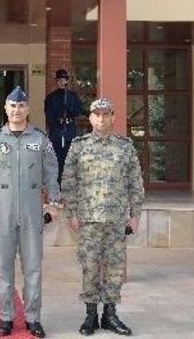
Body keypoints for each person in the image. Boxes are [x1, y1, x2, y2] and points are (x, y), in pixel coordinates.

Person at [0, 86, 60, 338]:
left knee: (33, 266)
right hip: (2, 210)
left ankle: (33, 317)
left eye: (21, 106)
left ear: (28, 109)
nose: (17, 110)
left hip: (31, 210)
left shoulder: (40, 139)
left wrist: (54, 202)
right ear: (6, 109)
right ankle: (5, 317)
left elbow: (51, 172)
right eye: (12, 106)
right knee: (3, 267)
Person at [61, 98, 144, 336]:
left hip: (117, 220)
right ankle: (90, 316)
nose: (101, 118)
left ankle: (110, 314)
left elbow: (135, 183)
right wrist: (72, 213)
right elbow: (68, 182)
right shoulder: (79, 146)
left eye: (105, 114)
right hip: (88, 220)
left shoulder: (125, 147)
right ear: (90, 118)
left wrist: (135, 214)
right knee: (90, 267)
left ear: (113, 117)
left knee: (114, 269)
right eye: (96, 115)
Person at [44, 68, 83, 182]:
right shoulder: (51, 97)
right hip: (57, 132)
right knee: (56, 160)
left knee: (69, 159)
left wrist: (70, 109)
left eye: (64, 79)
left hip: (69, 131)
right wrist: (57, 123)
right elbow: (49, 115)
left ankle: (69, 184)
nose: (61, 82)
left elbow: (78, 111)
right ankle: (58, 184)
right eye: (59, 79)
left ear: (67, 81)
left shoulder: (72, 96)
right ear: (56, 81)